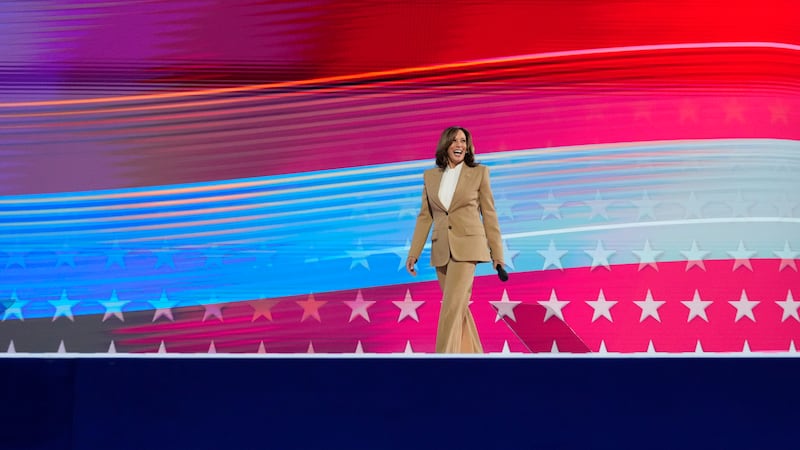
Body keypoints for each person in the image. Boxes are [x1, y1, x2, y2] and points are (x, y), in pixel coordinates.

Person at [406, 126, 504, 353]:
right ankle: (475, 357)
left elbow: (489, 214)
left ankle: (442, 361)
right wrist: (414, 253)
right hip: (441, 249)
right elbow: (425, 216)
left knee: (451, 307)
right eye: (454, 141)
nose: (459, 145)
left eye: (463, 141)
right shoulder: (430, 176)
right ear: (446, 145)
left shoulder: (479, 173)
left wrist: (497, 255)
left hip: (468, 247)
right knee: (458, 308)